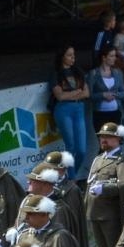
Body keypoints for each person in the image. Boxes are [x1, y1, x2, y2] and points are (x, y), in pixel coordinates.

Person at [85, 123, 124, 247]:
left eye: (108, 137)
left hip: (110, 215)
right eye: (102, 137)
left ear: (118, 139)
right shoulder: (98, 159)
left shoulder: (121, 161)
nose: (103, 140)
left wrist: (105, 189)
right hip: (95, 213)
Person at [51, 43, 92, 171]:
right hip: (64, 109)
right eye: (69, 55)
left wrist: (71, 94)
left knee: (81, 149)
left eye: (73, 55)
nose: (73, 58)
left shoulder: (78, 72)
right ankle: (71, 177)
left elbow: (86, 93)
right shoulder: (56, 74)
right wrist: (77, 92)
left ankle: (70, 173)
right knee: (71, 146)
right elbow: (60, 96)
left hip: (79, 108)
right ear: (62, 56)